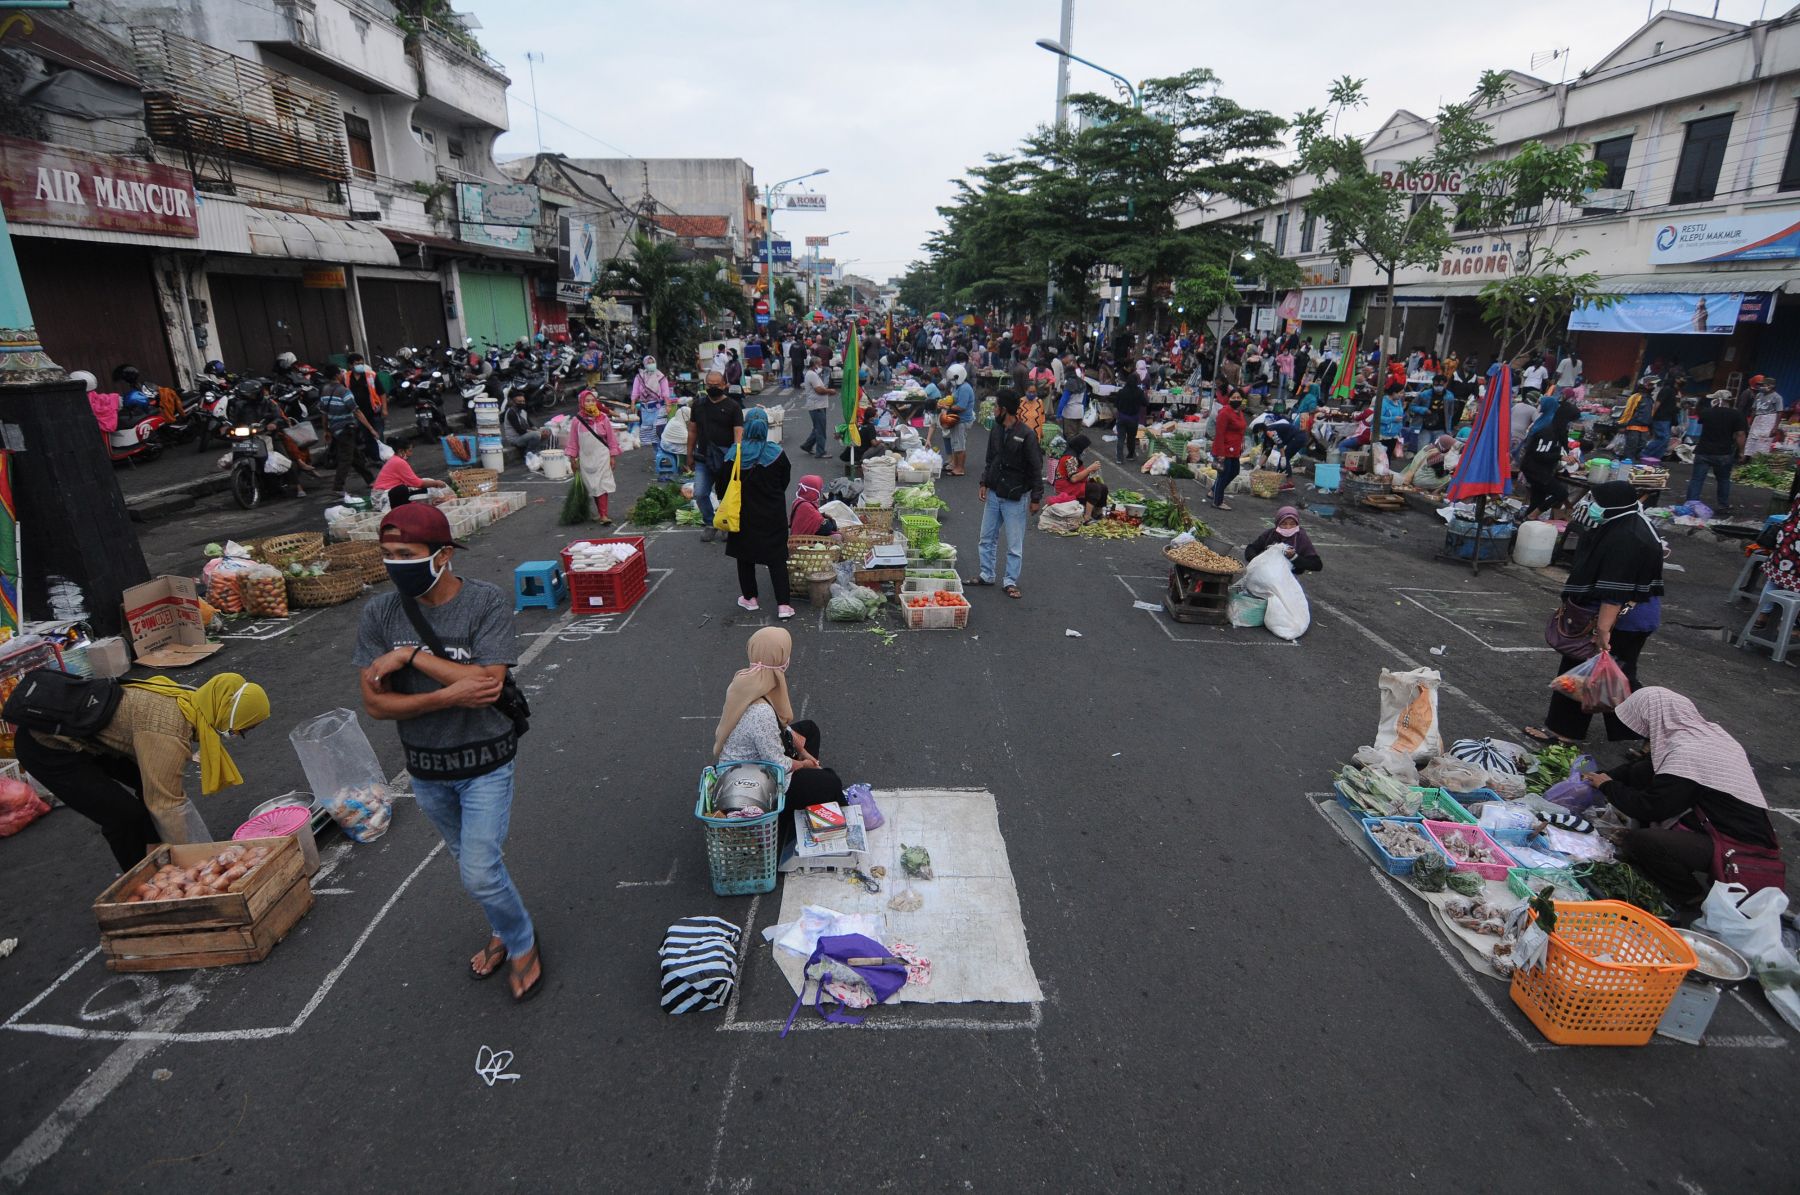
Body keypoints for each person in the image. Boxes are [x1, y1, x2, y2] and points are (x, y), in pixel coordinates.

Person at [355, 503, 542, 1002]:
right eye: (387, 554)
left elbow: (489, 682)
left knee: (479, 870)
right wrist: (445, 695)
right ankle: (502, 925)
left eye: (406, 553)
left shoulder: (485, 603)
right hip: (426, 768)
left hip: (485, 763)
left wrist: (411, 657)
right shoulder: (379, 612)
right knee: (472, 864)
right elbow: (375, 703)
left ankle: (521, 942)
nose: (395, 564)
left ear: (442, 555)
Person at [16, 674, 270, 869]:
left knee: (148, 784)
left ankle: (156, 848)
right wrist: (200, 862)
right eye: (242, 729)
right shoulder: (168, 733)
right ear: (228, 713)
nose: (238, 735)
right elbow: (167, 804)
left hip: (94, 738)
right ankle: (140, 879)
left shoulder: (194, 700)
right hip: (48, 747)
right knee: (123, 816)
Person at [1588, 688, 1781, 913]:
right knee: (1641, 773)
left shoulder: (1688, 752)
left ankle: (1691, 897)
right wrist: (1604, 775)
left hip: (1737, 840)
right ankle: (1654, 855)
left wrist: (1607, 786)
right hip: (1715, 822)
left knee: (1643, 841)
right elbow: (1644, 768)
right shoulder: (1700, 733)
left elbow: (1653, 806)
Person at [1525, 480, 1666, 746]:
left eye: (1596, 501)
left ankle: (1652, 733)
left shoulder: (1627, 537)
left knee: (1603, 674)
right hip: (1630, 616)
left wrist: (1603, 631)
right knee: (1607, 674)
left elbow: (1616, 591)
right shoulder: (1628, 523)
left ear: (1612, 505)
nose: (1591, 506)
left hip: (1620, 619)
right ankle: (1644, 735)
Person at [713, 628, 843, 844]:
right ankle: (784, 817)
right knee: (830, 782)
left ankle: (806, 790)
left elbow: (778, 727)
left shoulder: (746, 679)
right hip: (752, 787)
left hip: (749, 763)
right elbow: (777, 764)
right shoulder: (761, 712)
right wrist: (806, 765)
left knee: (809, 729)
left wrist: (801, 750)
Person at [714, 408, 794, 618]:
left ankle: (750, 599)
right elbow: (784, 481)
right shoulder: (776, 453)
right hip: (772, 514)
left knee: (745, 556)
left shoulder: (734, 453)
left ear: (746, 427)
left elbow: (721, 487)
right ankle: (783, 605)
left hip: (742, 515)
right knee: (777, 558)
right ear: (765, 428)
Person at [975, 390, 1043, 599]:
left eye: (996, 407)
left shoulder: (1027, 434)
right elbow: (990, 458)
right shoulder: (996, 429)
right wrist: (984, 482)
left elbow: (1035, 467)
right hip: (995, 493)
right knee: (986, 538)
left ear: (1005, 410)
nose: (994, 410)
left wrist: (1035, 498)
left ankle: (1010, 581)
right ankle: (986, 575)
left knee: (1014, 545)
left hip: (1015, 497)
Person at [689, 369, 744, 542]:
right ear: (705, 385)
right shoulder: (698, 405)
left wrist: (736, 456)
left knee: (726, 494)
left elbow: (738, 433)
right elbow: (692, 431)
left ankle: (725, 523)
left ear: (724, 385)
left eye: (716, 385)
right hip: (703, 457)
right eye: (709, 385)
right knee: (700, 493)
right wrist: (688, 454)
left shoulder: (733, 407)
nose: (713, 388)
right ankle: (709, 523)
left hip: (726, 458)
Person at [316, 365, 379, 501]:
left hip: (335, 429)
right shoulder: (344, 391)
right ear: (337, 375)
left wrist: (326, 430)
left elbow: (324, 413)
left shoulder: (325, 390)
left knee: (355, 455)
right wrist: (371, 429)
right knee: (346, 458)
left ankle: (370, 480)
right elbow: (357, 411)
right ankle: (337, 488)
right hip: (346, 429)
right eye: (340, 373)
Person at [1685, 390, 1748, 514]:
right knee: (1723, 479)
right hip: (1723, 453)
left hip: (1703, 451)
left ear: (1717, 400)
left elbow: (1701, 420)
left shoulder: (1707, 412)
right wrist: (1741, 452)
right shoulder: (1737, 415)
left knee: (1697, 479)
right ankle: (1723, 505)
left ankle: (1691, 503)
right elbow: (1740, 434)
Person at [566, 390, 621, 524]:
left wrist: (613, 456)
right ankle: (601, 512)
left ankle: (603, 515)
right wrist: (572, 459)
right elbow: (573, 441)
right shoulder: (576, 421)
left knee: (601, 484)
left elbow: (611, 439)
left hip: (602, 455)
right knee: (593, 485)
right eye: (587, 401)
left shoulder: (603, 418)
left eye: (592, 401)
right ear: (582, 403)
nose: (590, 403)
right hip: (586, 458)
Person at [1519, 400, 1578, 519]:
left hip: (1542, 470)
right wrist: (1561, 457)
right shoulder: (1548, 432)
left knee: (1537, 501)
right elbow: (1539, 454)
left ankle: (1524, 523)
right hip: (1534, 469)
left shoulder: (1558, 431)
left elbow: (1559, 449)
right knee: (1561, 493)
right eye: (1569, 422)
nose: (1569, 425)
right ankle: (1532, 516)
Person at [1244, 506, 1322, 573]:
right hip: (1265, 572)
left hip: (1288, 577)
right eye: (1284, 524)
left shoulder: (1301, 538)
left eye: (1292, 524)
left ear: (1297, 524)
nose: (1288, 527)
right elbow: (1251, 548)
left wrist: (1294, 557)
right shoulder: (1270, 534)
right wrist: (1258, 561)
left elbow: (1317, 565)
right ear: (1278, 523)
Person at [374, 438, 451, 506]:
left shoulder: (395, 460)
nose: (411, 454)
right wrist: (436, 483)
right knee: (406, 489)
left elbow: (413, 481)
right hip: (381, 498)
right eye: (409, 451)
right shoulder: (398, 462)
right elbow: (418, 483)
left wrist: (432, 483)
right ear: (401, 451)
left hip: (385, 494)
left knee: (426, 484)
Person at [1050, 433, 1109, 522]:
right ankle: (1087, 517)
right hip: (1065, 487)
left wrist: (1090, 473)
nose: (1086, 450)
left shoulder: (1075, 455)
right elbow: (1073, 478)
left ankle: (1097, 512)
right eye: (1085, 448)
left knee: (1103, 487)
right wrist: (1089, 469)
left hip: (1074, 484)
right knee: (1094, 488)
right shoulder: (1070, 458)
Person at [1209, 391, 1248, 510]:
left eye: (1238, 397)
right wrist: (1220, 453)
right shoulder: (1225, 413)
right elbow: (1220, 434)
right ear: (1229, 399)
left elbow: (1241, 430)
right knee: (1224, 474)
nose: (1236, 399)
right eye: (1234, 397)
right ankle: (1217, 501)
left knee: (1234, 471)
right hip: (1224, 449)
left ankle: (1213, 491)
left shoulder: (1239, 412)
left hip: (1235, 449)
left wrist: (1242, 443)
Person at [943, 362, 976, 476]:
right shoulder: (959, 386)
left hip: (962, 420)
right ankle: (956, 466)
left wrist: (947, 406)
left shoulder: (965, 388)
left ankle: (960, 468)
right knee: (956, 444)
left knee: (960, 446)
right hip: (957, 420)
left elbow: (961, 406)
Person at [1643, 373, 1684, 462]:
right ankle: (1645, 454)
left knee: (1664, 440)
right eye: (1680, 378)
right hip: (1661, 418)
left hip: (1668, 419)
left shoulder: (1675, 391)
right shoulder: (1667, 390)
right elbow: (1657, 403)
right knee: (1663, 438)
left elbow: (1677, 406)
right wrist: (1652, 416)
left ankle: (1655, 459)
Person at [799, 356, 833, 458]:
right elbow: (819, 390)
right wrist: (830, 391)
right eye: (820, 364)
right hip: (817, 406)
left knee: (817, 428)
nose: (821, 365)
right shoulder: (812, 375)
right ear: (815, 365)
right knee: (820, 430)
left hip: (817, 405)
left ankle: (807, 445)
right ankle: (820, 451)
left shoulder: (812, 374)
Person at [1113, 369, 1147, 463]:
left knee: (1121, 438)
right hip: (1133, 419)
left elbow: (1116, 405)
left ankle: (1119, 458)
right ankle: (1130, 455)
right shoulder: (1139, 392)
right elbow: (1145, 403)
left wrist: (1117, 415)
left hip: (1122, 417)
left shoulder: (1121, 392)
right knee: (1131, 438)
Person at [501, 390, 544, 458]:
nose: (522, 403)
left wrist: (540, 430)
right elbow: (520, 431)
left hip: (525, 435)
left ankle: (540, 451)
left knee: (547, 431)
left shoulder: (523, 411)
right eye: (519, 402)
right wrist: (537, 432)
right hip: (516, 439)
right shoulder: (511, 413)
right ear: (513, 402)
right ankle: (528, 454)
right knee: (536, 434)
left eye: (523, 401)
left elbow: (531, 424)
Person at [1618, 378, 1653, 459]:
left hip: (1645, 428)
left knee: (1641, 446)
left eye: (1652, 385)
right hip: (1634, 426)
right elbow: (1628, 411)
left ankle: (1634, 465)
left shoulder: (1649, 399)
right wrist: (1622, 425)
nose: (1652, 387)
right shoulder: (1635, 397)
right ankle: (1627, 463)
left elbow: (1650, 414)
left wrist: (1651, 428)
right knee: (1631, 447)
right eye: (1649, 385)